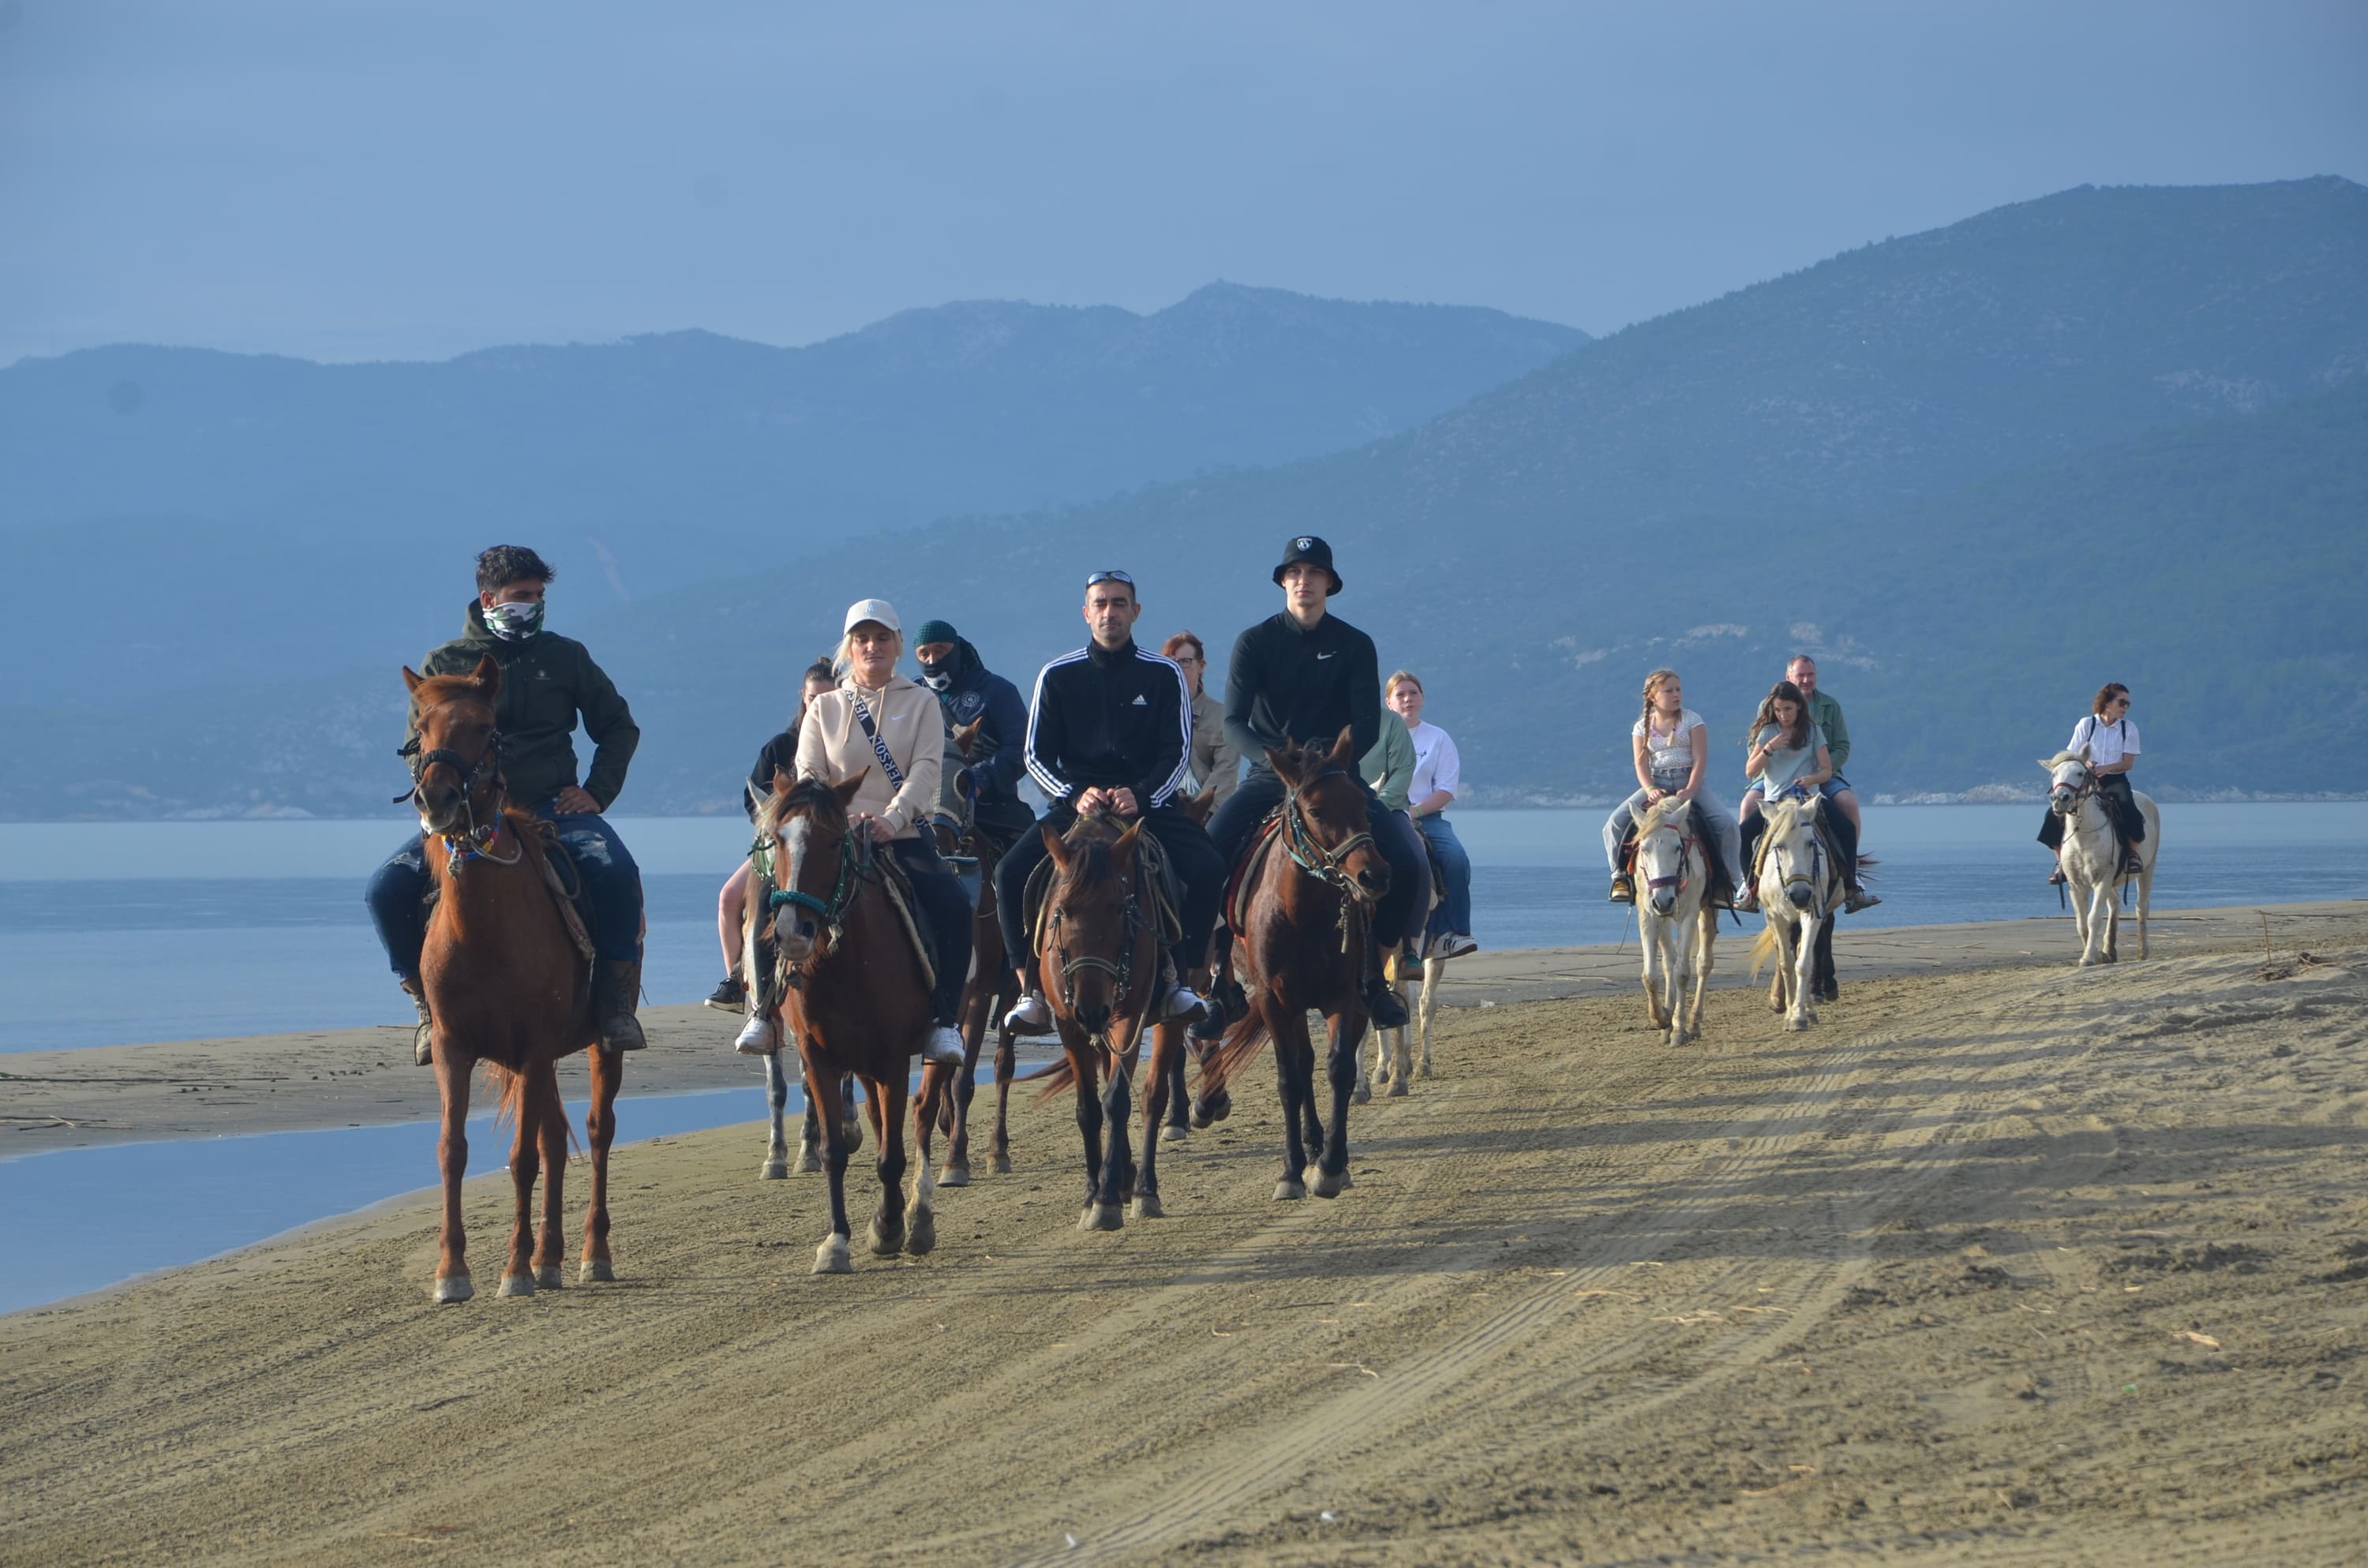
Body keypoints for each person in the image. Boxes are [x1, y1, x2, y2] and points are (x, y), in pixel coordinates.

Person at [365, 544, 646, 1066]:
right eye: (522, 595)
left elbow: (618, 727)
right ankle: (427, 1006)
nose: (533, 604)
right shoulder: (442, 664)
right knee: (384, 888)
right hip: (466, 818)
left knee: (618, 872)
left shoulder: (566, 657)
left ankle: (613, 1003)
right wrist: (435, 801)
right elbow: (416, 748)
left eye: (539, 595)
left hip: (553, 807)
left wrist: (596, 791)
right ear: (489, 598)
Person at [1199, 536, 1427, 1033]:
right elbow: (1234, 722)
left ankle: (1375, 977)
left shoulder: (1354, 644)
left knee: (1406, 863)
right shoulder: (1254, 642)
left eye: (1314, 573)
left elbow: (1367, 722)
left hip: (1336, 780)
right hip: (1271, 778)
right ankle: (1220, 981)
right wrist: (1278, 761)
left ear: (1329, 583)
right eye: (1295, 573)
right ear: (1283, 582)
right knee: (1204, 858)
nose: (1304, 581)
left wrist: (1334, 759)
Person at [996, 571, 1222, 1031]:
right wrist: (1074, 794)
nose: (1110, 612)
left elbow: (1177, 752)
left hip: (1147, 803)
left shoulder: (1164, 676)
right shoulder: (1057, 675)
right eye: (1100, 604)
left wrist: (1141, 794)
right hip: (1076, 802)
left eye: (1119, 603)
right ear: (1086, 614)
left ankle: (1183, 980)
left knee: (1207, 868)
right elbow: (1035, 755)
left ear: (1135, 612)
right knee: (1008, 873)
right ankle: (1030, 992)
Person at [792, 600, 972, 1068]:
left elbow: (927, 770)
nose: (872, 647)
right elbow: (809, 771)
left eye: (882, 638)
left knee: (953, 907)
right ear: (849, 649)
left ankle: (945, 1021)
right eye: (862, 639)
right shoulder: (825, 708)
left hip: (904, 833)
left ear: (897, 646)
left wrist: (891, 819)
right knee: (773, 898)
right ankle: (762, 1006)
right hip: (834, 834)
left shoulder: (922, 702)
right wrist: (839, 816)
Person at [706, 658, 834, 1020]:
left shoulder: (845, 744)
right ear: (802, 697)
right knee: (728, 899)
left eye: (828, 699)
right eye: (813, 698)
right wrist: (776, 827)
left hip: (827, 846)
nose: (818, 706)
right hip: (781, 844)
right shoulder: (781, 746)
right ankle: (737, 978)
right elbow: (754, 799)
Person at [1739, 656, 1879, 912]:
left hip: (1813, 787)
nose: (1783, 715)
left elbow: (1839, 751)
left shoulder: (1821, 718)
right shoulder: (1768, 728)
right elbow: (1751, 766)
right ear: (1788, 676)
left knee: (1846, 819)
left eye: (1810, 674)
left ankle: (1852, 882)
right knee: (1745, 824)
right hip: (1776, 792)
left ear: (1799, 708)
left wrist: (1813, 776)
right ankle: (1748, 886)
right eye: (1779, 710)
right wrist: (1769, 750)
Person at [1603, 668, 1744, 907]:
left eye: (1678, 689)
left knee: (1727, 824)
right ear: (1652, 696)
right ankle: (1620, 877)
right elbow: (1641, 765)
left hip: (1688, 781)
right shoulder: (1641, 727)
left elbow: (1700, 758)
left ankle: (1727, 883)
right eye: (1669, 690)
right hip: (1657, 781)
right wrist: (1649, 789)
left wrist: (1690, 789)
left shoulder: (1692, 720)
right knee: (1614, 823)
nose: (1676, 694)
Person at [912, 619, 1036, 851]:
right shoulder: (910, 697)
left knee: (1034, 860)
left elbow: (1020, 747)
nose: (932, 660)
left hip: (993, 808)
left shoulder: (998, 691)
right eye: (924, 654)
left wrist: (980, 780)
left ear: (956, 650)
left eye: (940, 651)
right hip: (925, 811)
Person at [1384, 671, 1478, 959]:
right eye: (1400, 694)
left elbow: (1446, 790)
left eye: (1413, 693)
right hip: (1384, 815)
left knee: (1455, 858)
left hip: (1425, 817)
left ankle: (1452, 933)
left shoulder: (1438, 738)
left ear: (1422, 698)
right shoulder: (1376, 737)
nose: (1407, 699)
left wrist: (1415, 811)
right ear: (1389, 702)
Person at [2039, 683, 2145, 878]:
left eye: (2128, 704)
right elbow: (2072, 754)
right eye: (2122, 702)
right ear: (2107, 702)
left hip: (2114, 779)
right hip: (2086, 780)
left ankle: (2132, 854)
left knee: (2128, 806)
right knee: (2053, 814)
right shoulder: (2086, 724)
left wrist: (2106, 768)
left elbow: (2127, 763)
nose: (2125, 708)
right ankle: (2060, 861)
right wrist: (2086, 764)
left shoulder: (2128, 729)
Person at [1163, 631, 1241, 806]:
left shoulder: (1221, 717)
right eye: (1171, 662)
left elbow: (1226, 771)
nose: (1177, 668)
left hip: (1205, 812)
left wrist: (1201, 809)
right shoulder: (1151, 716)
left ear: (1201, 666)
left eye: (1185, 662)